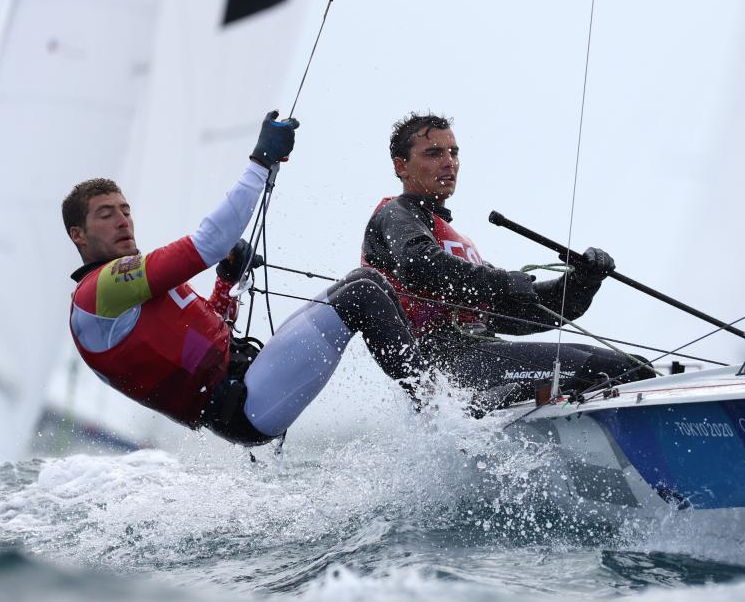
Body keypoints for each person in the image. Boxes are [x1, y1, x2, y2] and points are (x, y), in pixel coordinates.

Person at [65, 111, 423, 446]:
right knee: (361, 296)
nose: (122, 221)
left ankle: (436, 388)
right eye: (106, 215)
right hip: (243, 407)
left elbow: (208, 330)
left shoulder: (131, 289)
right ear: (78, 234)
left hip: (248, 378)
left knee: (368, 279)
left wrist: (227, 280)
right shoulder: (99, 292)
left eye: (125, 211)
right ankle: (434, 409)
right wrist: (260, 163)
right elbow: (209, 243)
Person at [362, 112, 653, 409]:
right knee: (611, 371)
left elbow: (530, 312)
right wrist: (502, 281)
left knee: (636, 368)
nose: (449, 162)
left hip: (482, 355)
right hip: (447, 366)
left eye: (453, 153)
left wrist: (583, 282)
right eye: (434, 153)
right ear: (401, 166)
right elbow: (419, 264)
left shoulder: (457, 245)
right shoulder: (396, 214)